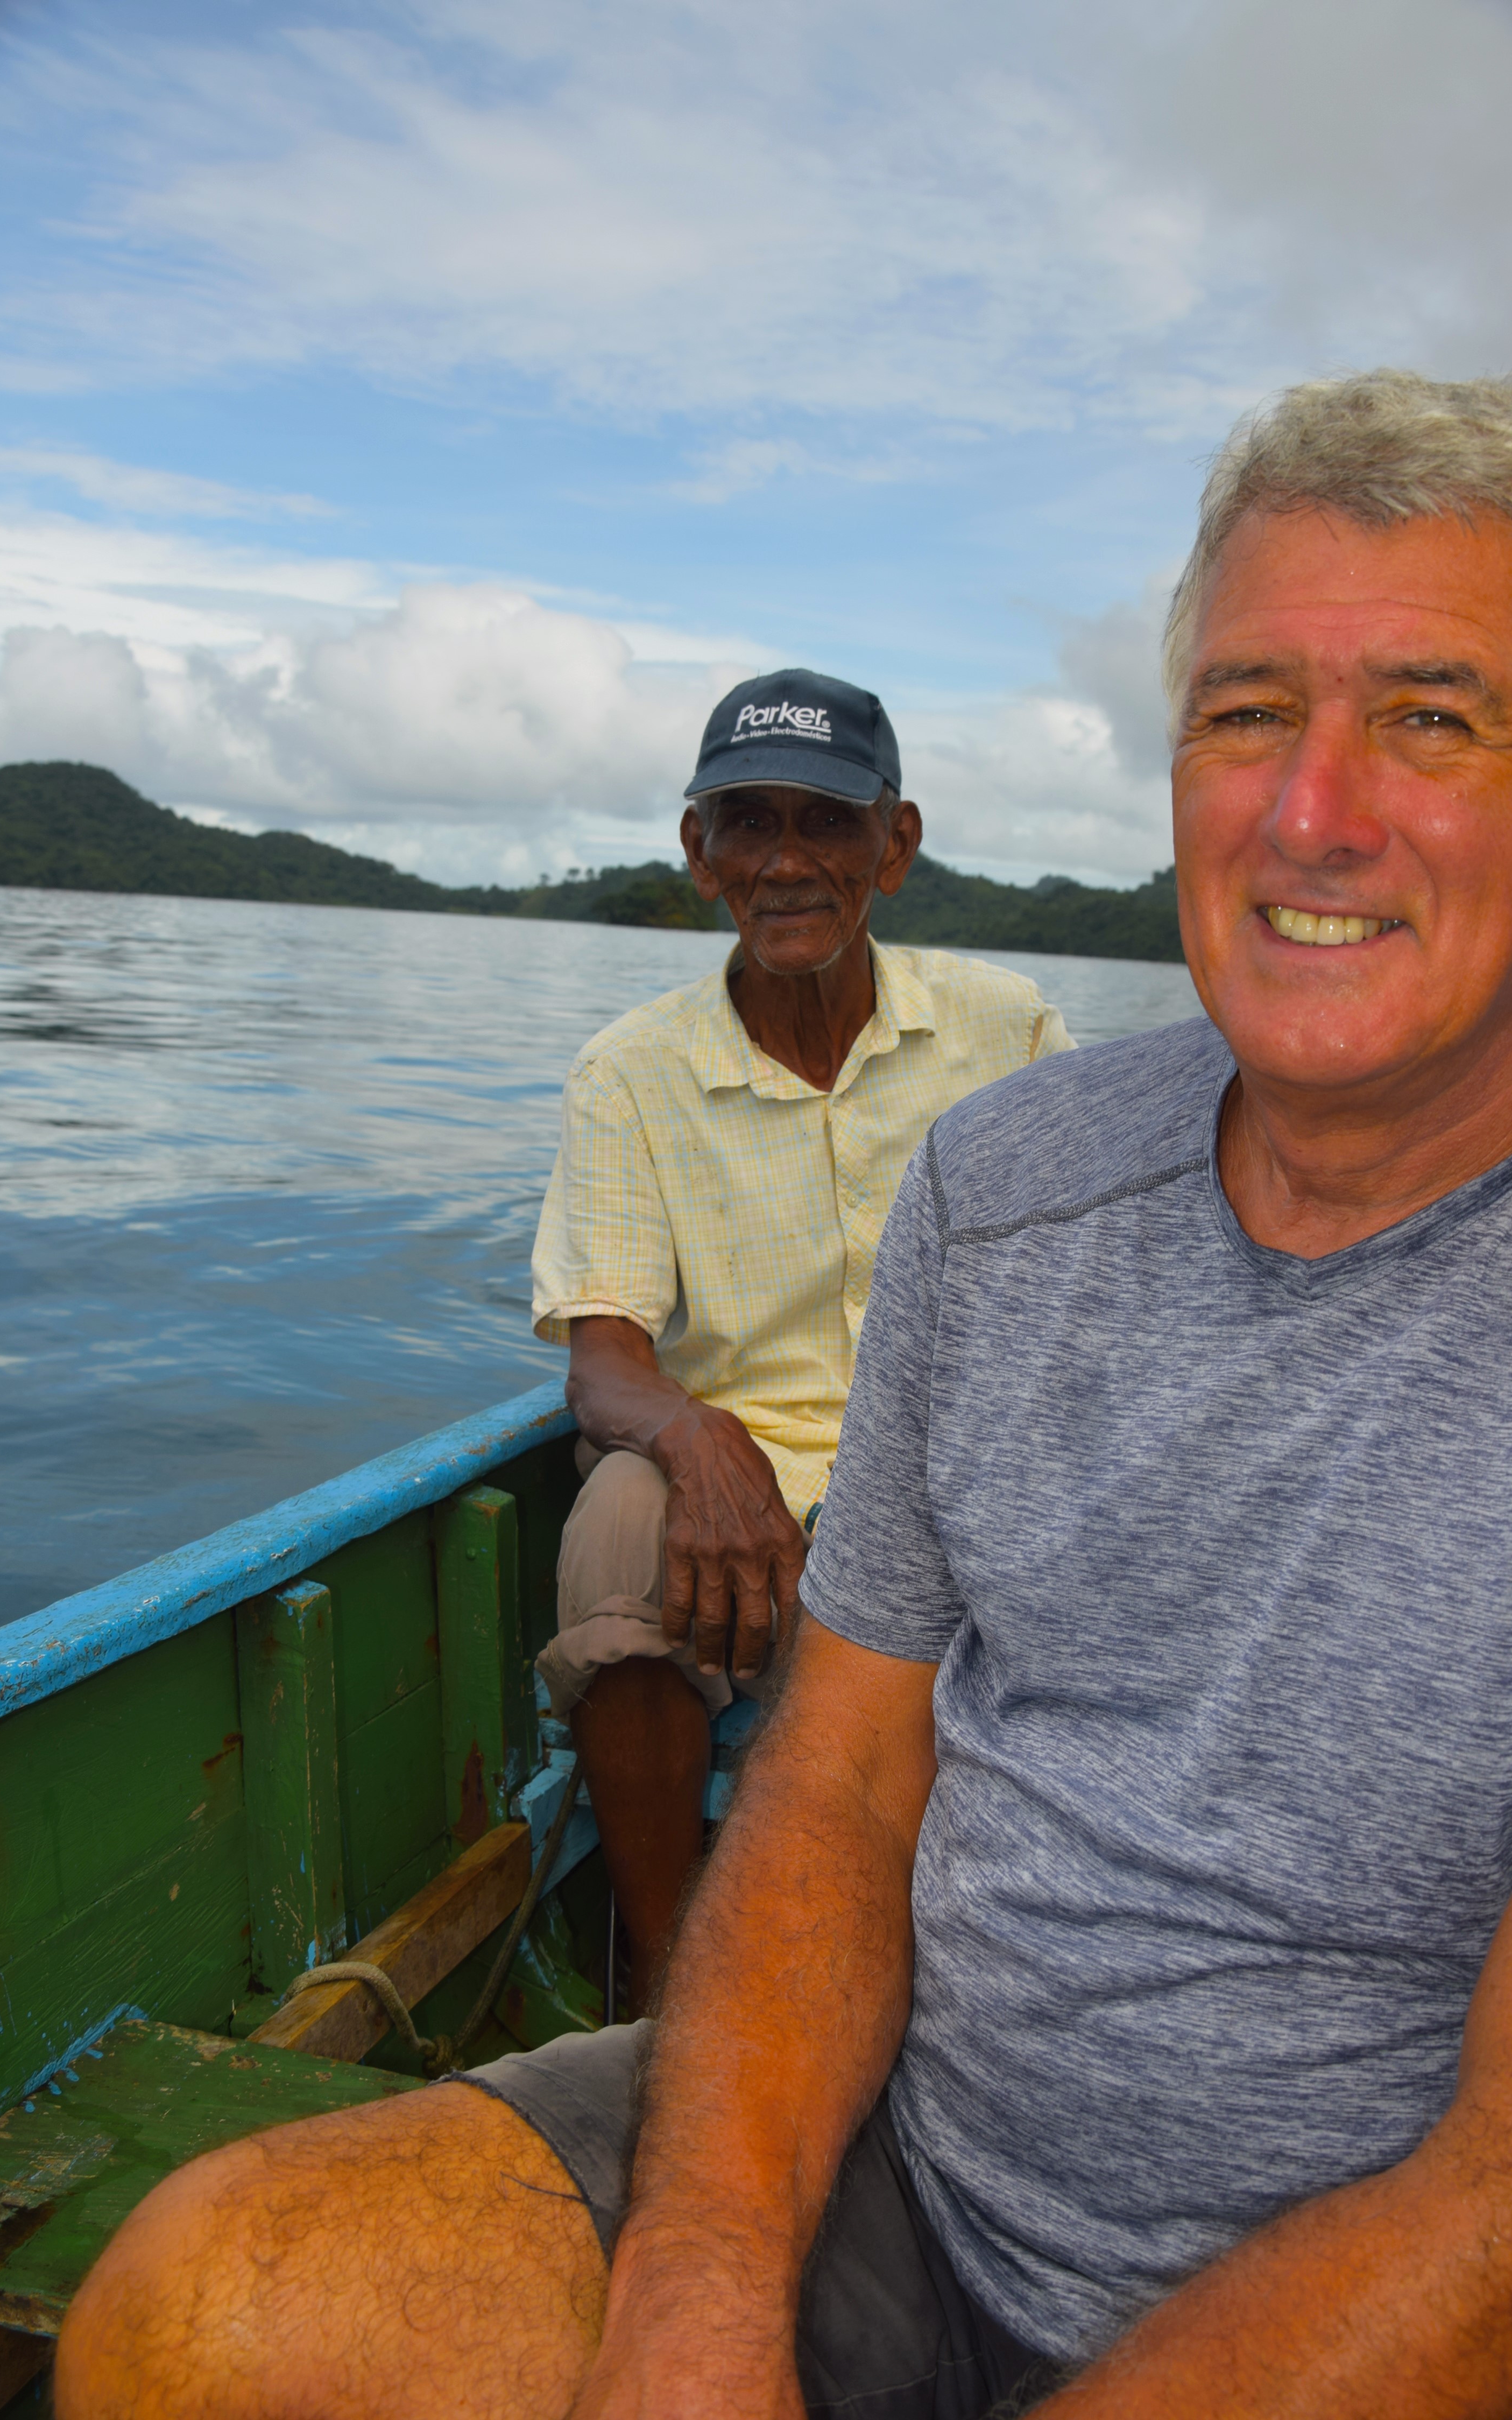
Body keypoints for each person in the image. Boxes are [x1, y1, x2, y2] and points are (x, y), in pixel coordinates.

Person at [55, 364, 1512, 2420]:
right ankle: (663, 1974)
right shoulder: (1009, 1174)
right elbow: (853, 1776)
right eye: (1244, 713)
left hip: (1375, 2313)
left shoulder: (1000, 1037)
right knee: (185, 2314)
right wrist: (699, 2290)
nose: (1313, 808)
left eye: (1431, 711)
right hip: (916, 2150)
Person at [529, 666, 1068, 2003]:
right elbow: (604, 1359)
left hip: (961, 1489)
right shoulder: (630, 1070)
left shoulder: (1010, 1033)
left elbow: (1096, 1295)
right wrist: (701, 1437)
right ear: (697, 854)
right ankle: (662, 1975)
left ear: (896, 843)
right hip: (744, 1534)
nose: (786, 862)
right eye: (747, 823)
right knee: (615, 1520)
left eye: (827, 823)